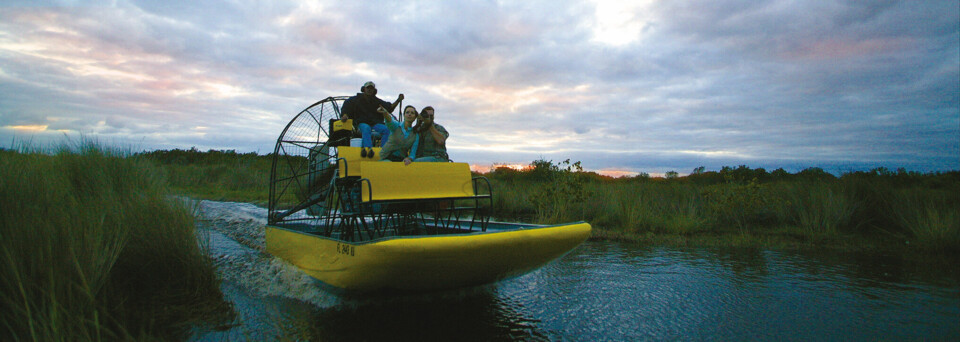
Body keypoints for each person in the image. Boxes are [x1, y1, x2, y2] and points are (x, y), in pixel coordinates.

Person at [340, 81, 403, 148]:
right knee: (366, 128)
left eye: (371, 88)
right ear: (363, 89)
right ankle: (368, 149)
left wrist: (398, 100)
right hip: (361, 124)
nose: (369, 90)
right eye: (368, 88)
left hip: (375, 124)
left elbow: (389, 108)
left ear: (374, 91)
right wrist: (345, 115)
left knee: (386, 130)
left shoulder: (377, 101)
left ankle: (383, 151)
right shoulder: (355, 100)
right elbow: (347, 106)